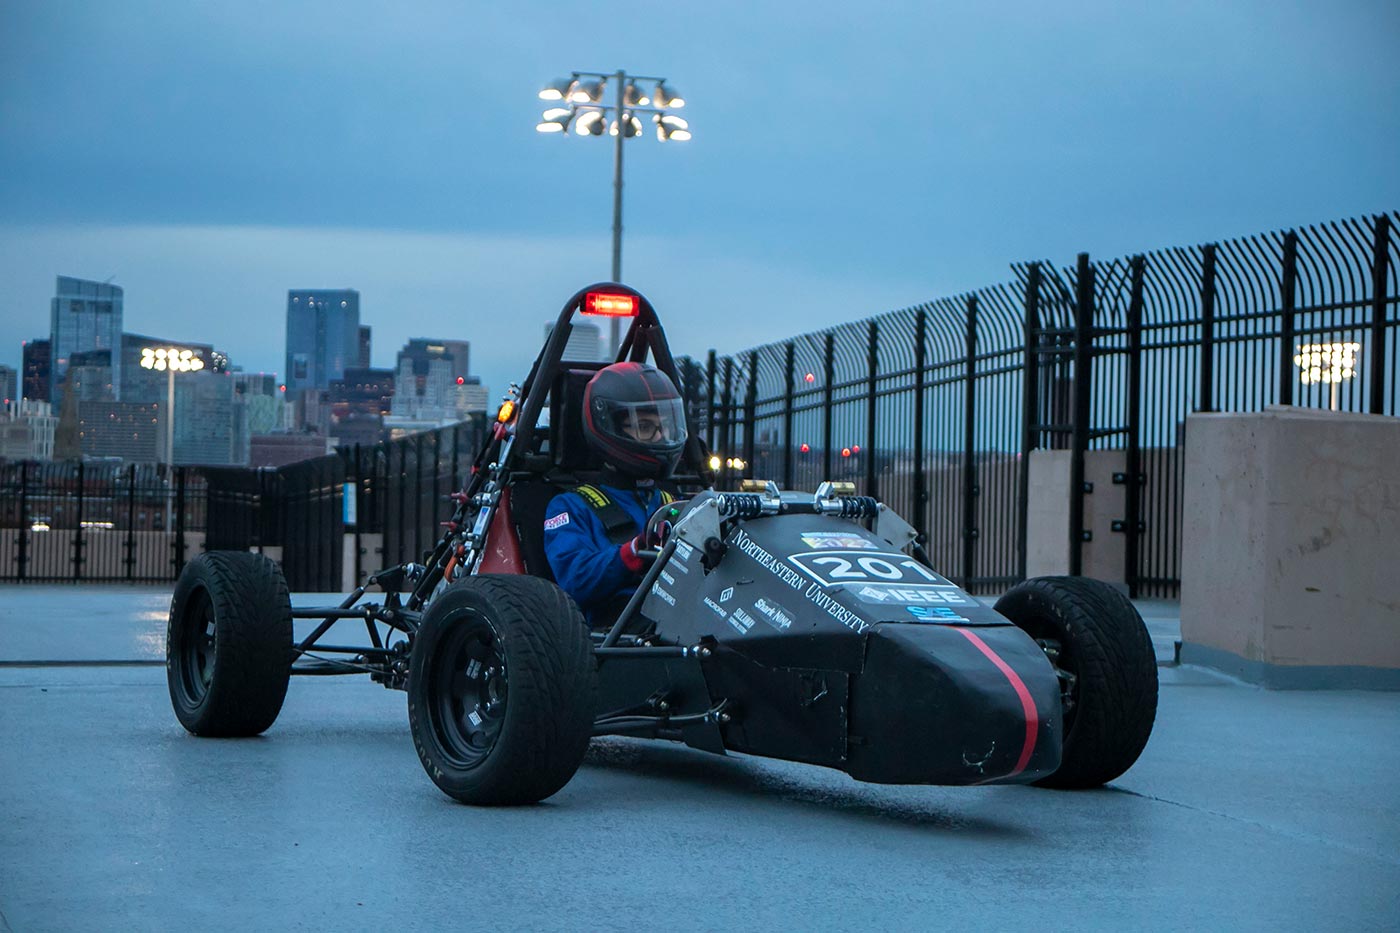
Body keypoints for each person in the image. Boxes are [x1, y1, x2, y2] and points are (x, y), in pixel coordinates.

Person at [543, 362, 688, 627]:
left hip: (682, 623)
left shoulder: (675, 504)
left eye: (665, 427)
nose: (660, 437)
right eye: (645, 427)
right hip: (616, 634)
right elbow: (574, 581)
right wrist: (631, 553)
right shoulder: (570, 506)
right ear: (609, 426)